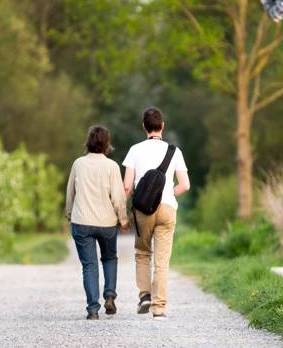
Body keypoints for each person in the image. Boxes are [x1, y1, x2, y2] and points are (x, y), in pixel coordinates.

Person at [122, 107, 190, 320]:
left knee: (143, 253)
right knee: (162, 260)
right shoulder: (174, 151)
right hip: (167, 208)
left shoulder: (134, 150)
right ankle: (159, 308)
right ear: (162, 127)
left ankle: (144, 296)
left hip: (143, 210)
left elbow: (126, 187)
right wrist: (169, 193)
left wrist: (121, 214)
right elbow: (185, 185)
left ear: (144, 127)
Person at [65, 125, 130, 320]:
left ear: (88, 142)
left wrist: (70, 214)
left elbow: (70, 193)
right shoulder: (112, 166)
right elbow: (118, 198)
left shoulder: (78, 164)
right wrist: (123, 220)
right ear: (107, 144)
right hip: (107, 223)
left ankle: (93, 309)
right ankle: (109, 295)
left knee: (89, 265)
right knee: (109, 258)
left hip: (82, 221)